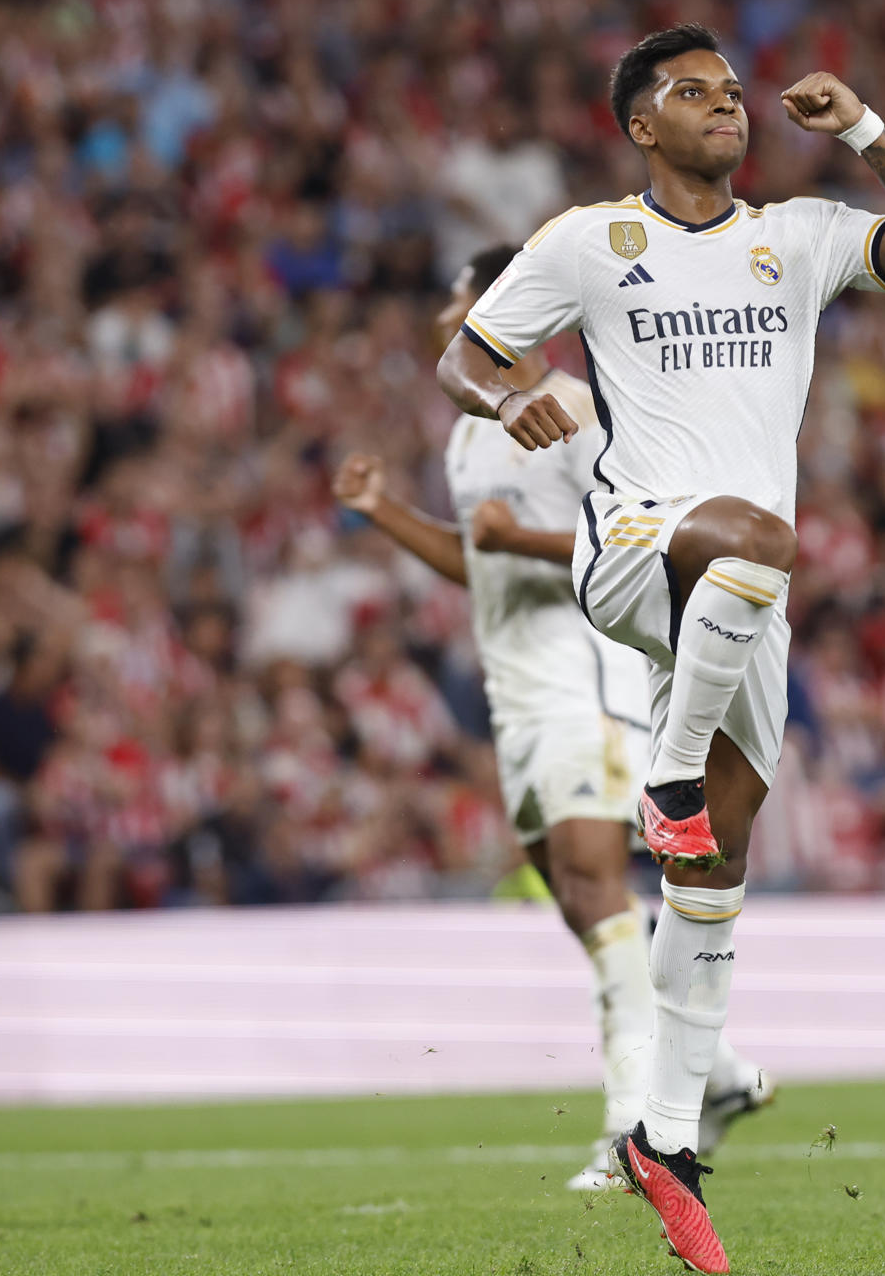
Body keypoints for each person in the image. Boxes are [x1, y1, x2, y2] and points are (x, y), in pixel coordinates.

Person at [436, 24, 885, 1272]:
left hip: (742, 607)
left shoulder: (794, 235)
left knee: (714, 875)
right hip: (632, 542)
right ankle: (667, 775)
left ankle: (664, 1140)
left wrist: (866, 132)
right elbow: (463, 354)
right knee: (759, 536)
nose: (726, 106)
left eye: (735, 92)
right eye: (694, 92)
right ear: (642, 124)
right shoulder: (587, 240)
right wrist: (512, 396)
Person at [335, 244, 767, 1193]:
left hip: (585, 687)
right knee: (581, 904)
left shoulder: (578, 410)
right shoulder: (467, 434)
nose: (449, 315)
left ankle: (634, 1130)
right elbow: (479, 564)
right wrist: (385, 513)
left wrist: (520, 536)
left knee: (593, 887)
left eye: (461, 297)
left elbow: (628, 542)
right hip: (517, 698)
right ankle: (722, 1076)